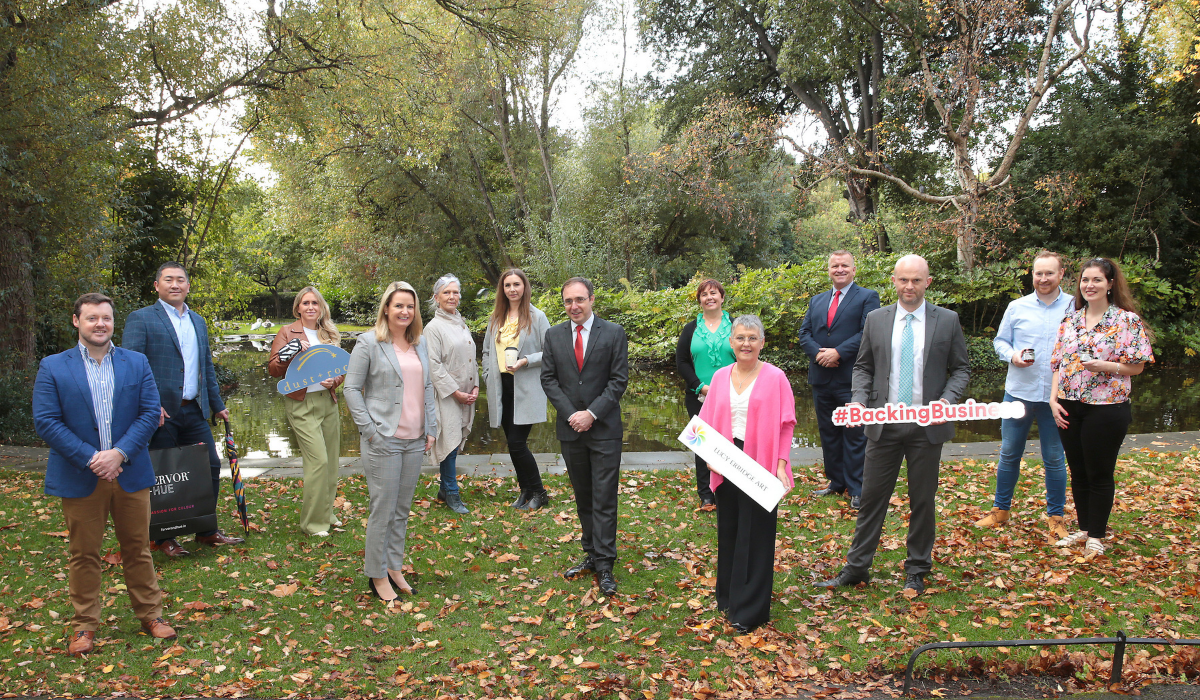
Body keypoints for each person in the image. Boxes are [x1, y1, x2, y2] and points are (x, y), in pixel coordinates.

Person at [816, 255, 971, 595]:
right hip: (882, 425)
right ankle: (857, 568)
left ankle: (917, 569)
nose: (909, 286)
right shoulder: (877, 319)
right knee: (871, 498)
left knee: (922, 500)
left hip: (926, 426)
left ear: (928, 282)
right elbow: (863, 367)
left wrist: (946, 402)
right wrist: (858, 401)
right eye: (903, 280)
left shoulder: (947, 320)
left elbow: (961, 368)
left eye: (916, 280)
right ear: (894, 281)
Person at [32, 293, 177, 656]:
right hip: (81, 474)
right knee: (84, 553)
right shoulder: (53, 366)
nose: (100, 324)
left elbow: (149, 413)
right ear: (76, 321)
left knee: (138, 548)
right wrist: (92, 458)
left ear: (114, 322)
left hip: (129, 470)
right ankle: (85, 625)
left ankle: (151, 616)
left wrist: (119, 453)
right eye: (92, 318)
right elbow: (46, 421)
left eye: (106, 318)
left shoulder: (136, 362)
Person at [122, 261, 244, 557]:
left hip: (194, 410)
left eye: (180, 280)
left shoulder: (197, 321)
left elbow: (206, 367)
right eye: (168, 279)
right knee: (162, 475)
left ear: (188, 286)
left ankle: (206, 530)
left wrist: (217, 405)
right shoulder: (141, 318)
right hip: (159, 414)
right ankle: (163, 537)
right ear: (157, 286)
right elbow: (130, 367)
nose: (175, 284)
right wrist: (149, 406)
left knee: (210, 467)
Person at [1049, 257, 1153, 560]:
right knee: (1078, 471)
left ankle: (1096, 536)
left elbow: (1138, 366)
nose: (1089, 285)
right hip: (1069, 405)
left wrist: (1105, 366)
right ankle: (1084, 528)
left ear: (1110, 284)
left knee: (1099, 472)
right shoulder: (1070, 320)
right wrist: (1053, 400)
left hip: (1106, 407)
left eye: (1096, 280)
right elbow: (1058, 363)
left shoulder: (1126, 320)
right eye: (1085, 280)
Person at [698, 314, 795, 631]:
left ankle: (749, 610)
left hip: (760, 462)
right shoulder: (720, 376)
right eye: (740, 337)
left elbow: (786, 425)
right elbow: (705, 422)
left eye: (752, 338)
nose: (746, 343)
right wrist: (710, 456)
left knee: (756, 534)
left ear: (762, 343)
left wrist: (780, 464)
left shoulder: (776, 377)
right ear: (731, 342)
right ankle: (728, 598)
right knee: (730, 529)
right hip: (726, 459)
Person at [343, 281, 437, 603]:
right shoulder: (368, 342)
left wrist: (431, 428)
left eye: (410, 306)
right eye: (398, 305)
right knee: (382, 510)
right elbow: (351, 389)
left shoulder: (420, 343)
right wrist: (369, 431)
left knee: (401, 509)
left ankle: (394, 567)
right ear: (386, 308)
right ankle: (377, 574)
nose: (405, 311)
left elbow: (427, 387)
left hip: (415, 439)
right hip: (383, 439)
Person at [975, 251, 1073, 541]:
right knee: (1009, 453)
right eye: (1038, 273)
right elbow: (1000, 342)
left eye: (1049, 273)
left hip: (1057, 396)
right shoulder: (1017, 307)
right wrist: (1012, 355)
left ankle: (1056, 517)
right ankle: (1000, 510)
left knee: (1054, 458)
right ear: (1032, 275)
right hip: (1018, 393)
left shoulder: (1075, 306)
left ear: (1061, 274)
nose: (1043, 278)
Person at [541, 277, 629, 596]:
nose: (574, 306)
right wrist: (571, 415)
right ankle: (591, 553)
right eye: (568, 301)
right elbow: (549, 380)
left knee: (604, 497)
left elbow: (618, 380)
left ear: (592, 299)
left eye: (579, 299)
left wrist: (591, 413)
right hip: (571, 430)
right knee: (583, 496)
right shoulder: (553, 335)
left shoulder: (614, 333)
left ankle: (605, 564)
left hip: (604, 429)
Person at [798, 251, 881, 510]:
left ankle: (857, 488)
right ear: (829, 270)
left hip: (852, 379)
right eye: (835, 265)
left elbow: (868, 332)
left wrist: (838, 353)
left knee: (855, 434)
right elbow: (804, 333)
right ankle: (837, 482)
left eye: (845, 265)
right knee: (829, 433)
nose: (840, 269)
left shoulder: (867, 297)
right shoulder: (817, 300)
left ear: (854, 270)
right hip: (821, 378)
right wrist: (819, 355)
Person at [268, 286, 345, 537]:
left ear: (321, 307)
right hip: (302, 404)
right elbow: (273, 369)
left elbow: (340, 368)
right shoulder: (287, 332)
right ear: (298, 308)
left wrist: (333, 381)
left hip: (328, 402)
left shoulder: (328, 332)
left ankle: (327, 514)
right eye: (306, 303)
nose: (311, 307)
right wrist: (290, 350)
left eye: (315, 303)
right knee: (318, 461)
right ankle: (313, 524)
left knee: (331, 462)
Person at [481, 268, 553, 510]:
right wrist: (488, 375)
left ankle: (540, 492)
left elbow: (550, 351)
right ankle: (526, 491)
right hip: (501, 388)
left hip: (526, 387)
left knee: (517, 442)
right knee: (512, 443)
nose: (512, 289)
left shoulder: (537, 316)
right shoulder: (496, 318)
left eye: (516, 284)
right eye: (507, 285)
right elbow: (487, 351)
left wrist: (525, 361)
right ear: (502, 289)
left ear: (524, 287)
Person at [675, 279, 736, 509]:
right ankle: (706, 494)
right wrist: (700, 386)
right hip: (698, 395)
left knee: (733, 441)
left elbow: (748, 354)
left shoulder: (737, 325)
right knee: (703, 444)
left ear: (722, 297)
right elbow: (681, 361)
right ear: (699, 300)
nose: (709, 297)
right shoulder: (690, 329)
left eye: (714, 293)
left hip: (734, 394)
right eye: (704, 294)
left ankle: (730, 488)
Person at [424, 274, 479, 515]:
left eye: (455, 292)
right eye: (446, 292)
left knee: (455, 442)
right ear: (436, 297)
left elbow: (471, 357)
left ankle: (444, 490)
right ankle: (452, 492)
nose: (452, 296)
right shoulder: (433, 328)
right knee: (449, 441)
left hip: (466, 393)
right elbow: (433, 366)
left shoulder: (461, 323)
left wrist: (475, 386)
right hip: (447, 395)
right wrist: (455, 393)